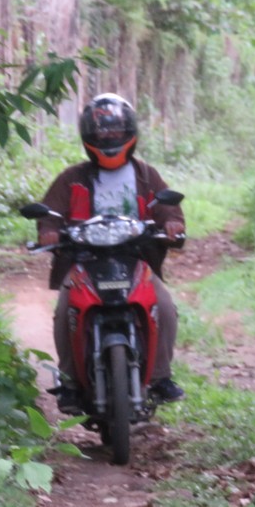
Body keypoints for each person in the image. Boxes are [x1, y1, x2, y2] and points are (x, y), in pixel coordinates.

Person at [35, 92, 186, 413]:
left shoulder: (147, 175)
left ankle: (160, 377)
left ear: (129, 132)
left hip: (136, 259)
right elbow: (51, 212)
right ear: (88, 135)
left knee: (164, 307)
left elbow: (168, 208)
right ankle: (70, 382)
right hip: (83, 261)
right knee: (66, 312)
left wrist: (173, 224)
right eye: (102, 131)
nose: (109, 137)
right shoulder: (72, 178)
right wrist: (48, 229)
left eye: (115, 129)